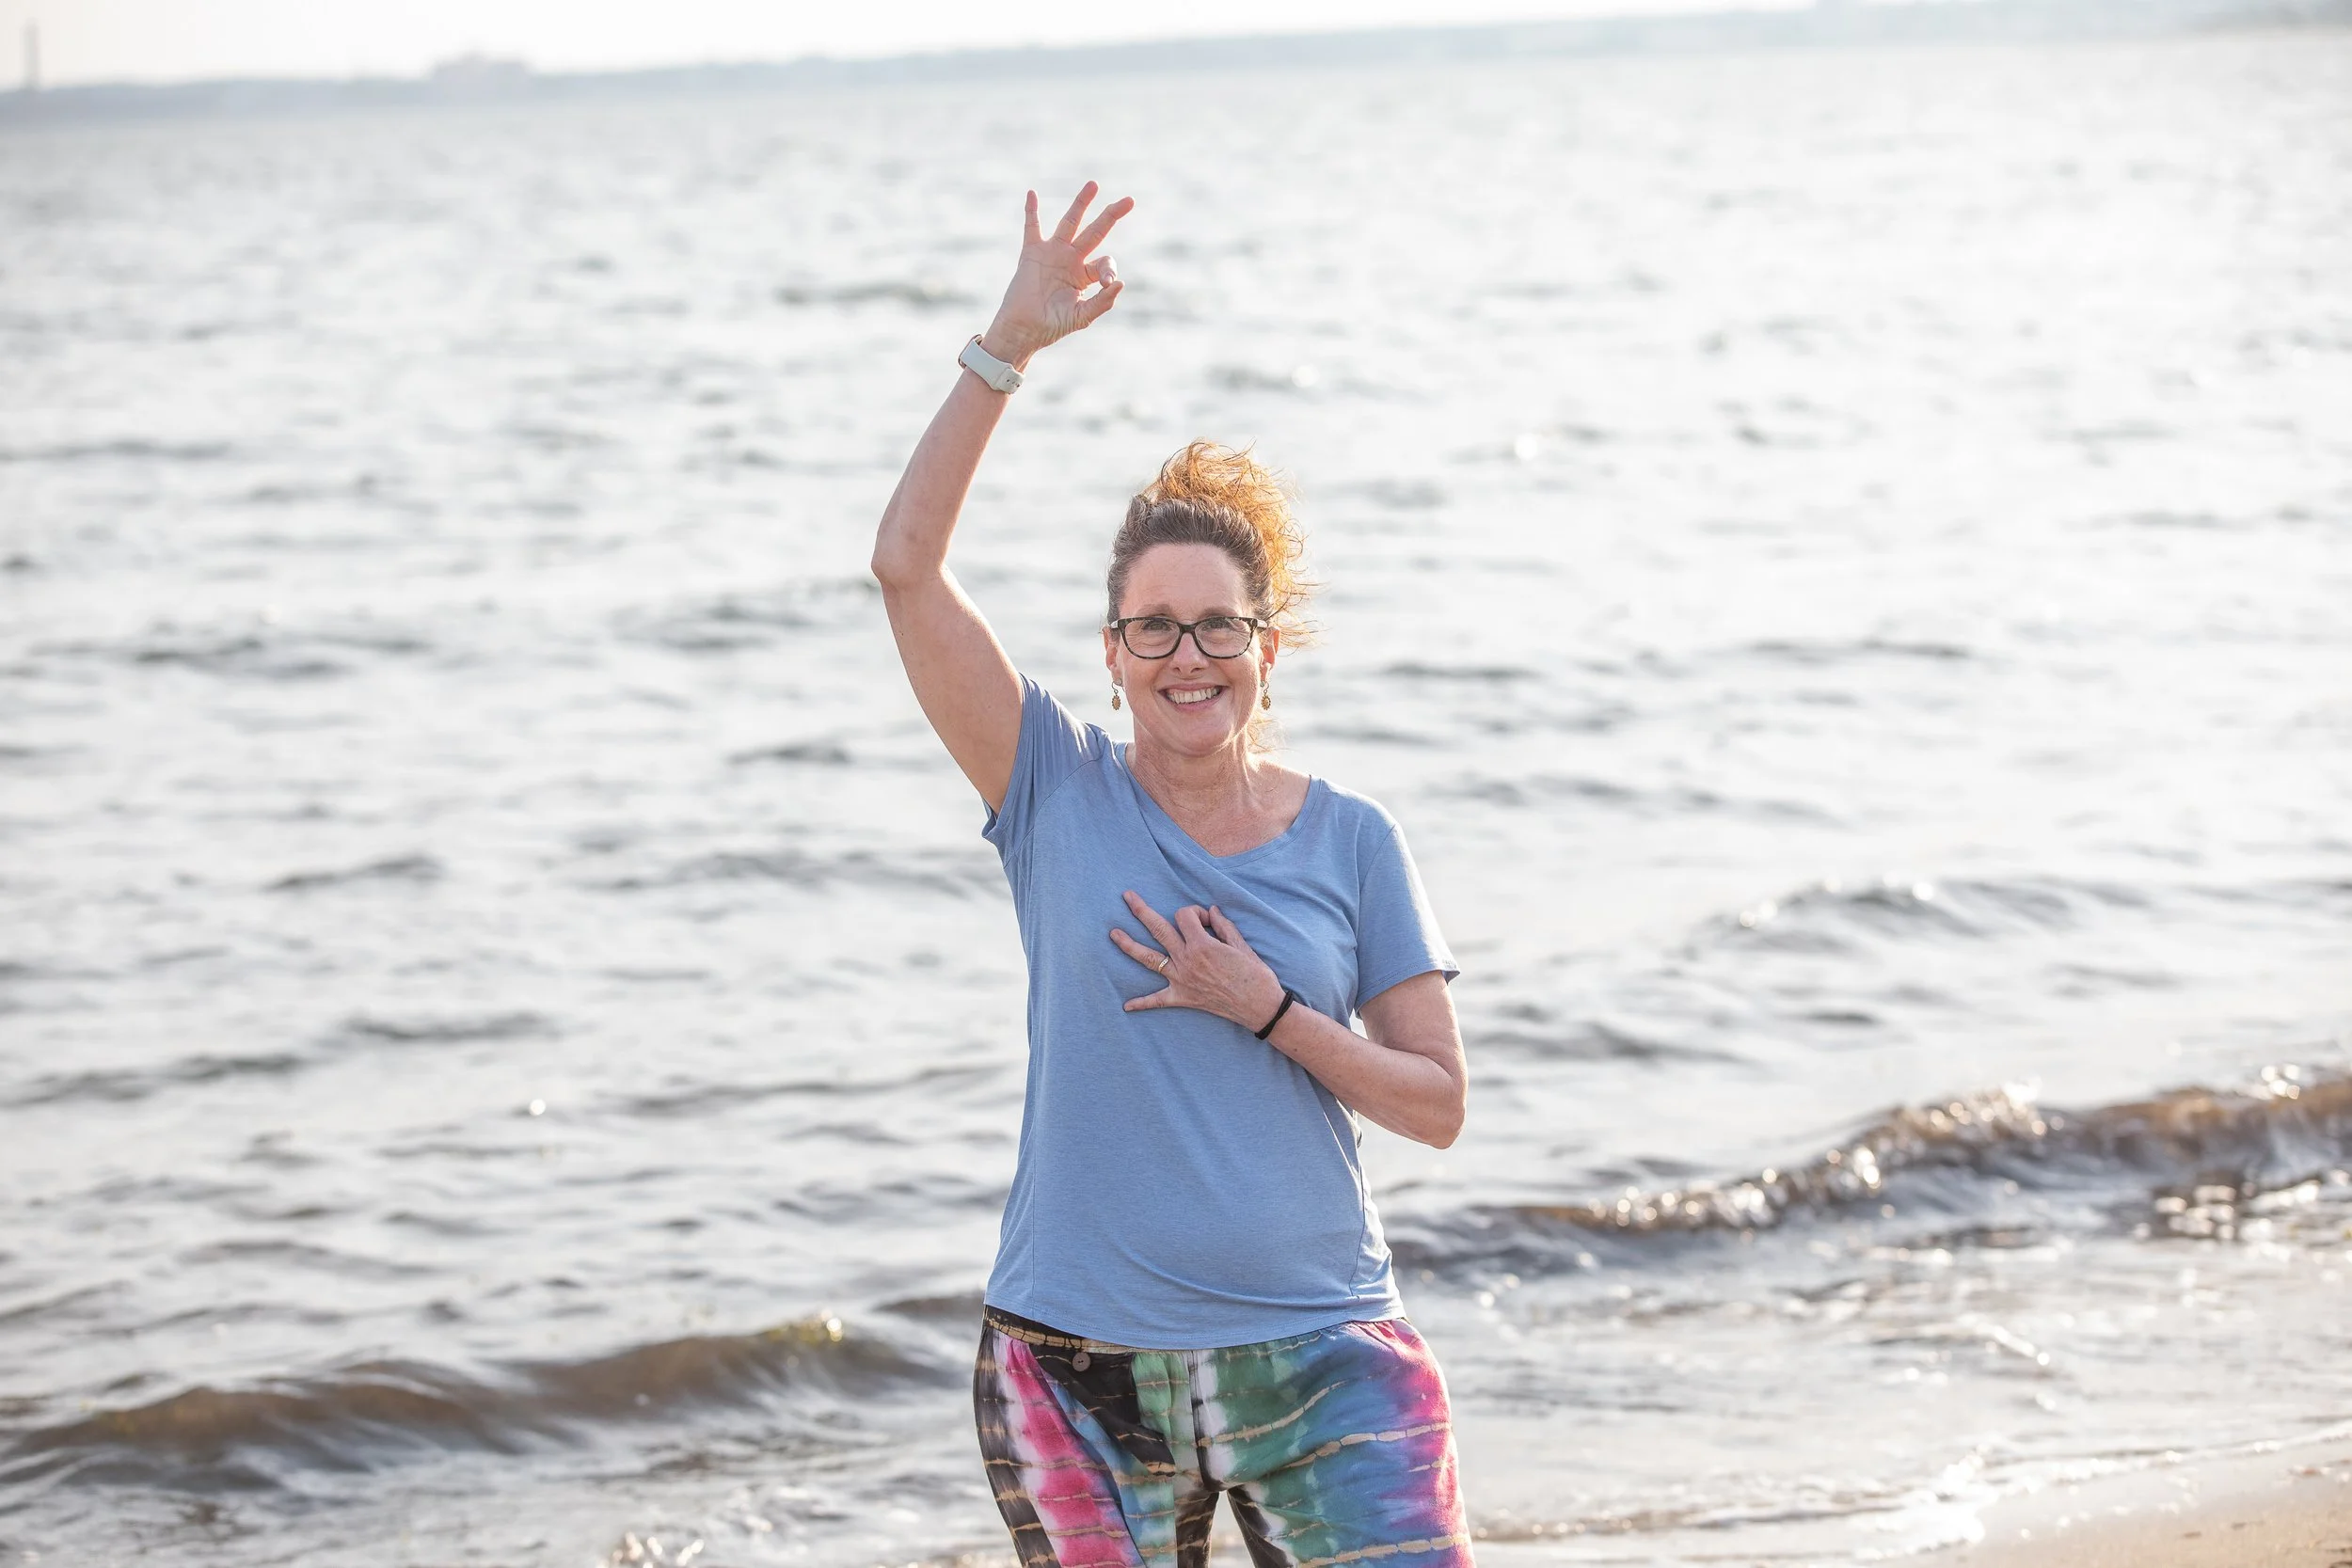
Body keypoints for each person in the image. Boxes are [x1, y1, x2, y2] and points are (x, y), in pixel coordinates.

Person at [870, 182, 1475, 1566]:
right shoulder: (1050, 789)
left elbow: (1438, 1106)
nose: (1187, 657)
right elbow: (906, 568)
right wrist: (1002, 349)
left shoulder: (1355, 839)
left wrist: (1265, 1007)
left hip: (1324, 1352)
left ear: (1267, 646)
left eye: (1217, 627)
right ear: (1111, 649)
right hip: (1082, 1365)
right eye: (1155, 628)